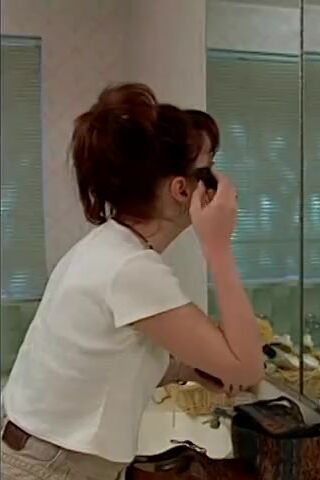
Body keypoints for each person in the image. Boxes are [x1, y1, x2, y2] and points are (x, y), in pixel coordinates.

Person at [1, 83, 264, 479]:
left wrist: (189, 370)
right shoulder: (131, 269)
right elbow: (247, 369)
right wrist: (218, 246)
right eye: (210, 168)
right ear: (182, 189)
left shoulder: (107, 247)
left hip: (37, 453)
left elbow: (106, 359)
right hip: (50, 466)